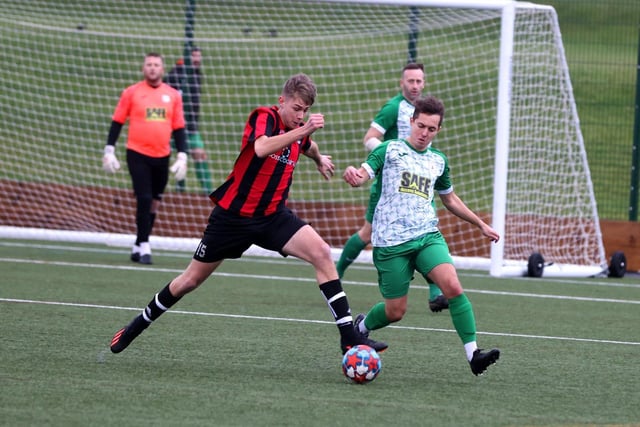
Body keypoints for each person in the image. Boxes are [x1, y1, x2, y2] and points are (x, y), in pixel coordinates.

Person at [109, 73, 388, 356]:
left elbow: (306, 145)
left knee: (321, 252)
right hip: (232, 218)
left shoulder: (298, 130)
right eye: (296, 108)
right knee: (189, 281)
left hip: (272, 217)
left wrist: (318, 158)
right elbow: (261, 147)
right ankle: (136, 326)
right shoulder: (264, 117)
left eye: (305, 111)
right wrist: (304, 132)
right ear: (282, 101)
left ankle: (349, 338)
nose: (300, 115)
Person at [342, 95, 501, 375]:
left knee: (453, 287)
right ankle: (361, 327)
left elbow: (450, 199)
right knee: (395, 311)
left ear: (438, 130)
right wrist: (355, 176)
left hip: (427, 236)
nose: (424, 133)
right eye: (421, 126)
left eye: (431, 129)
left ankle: (473, 355)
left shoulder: (439, 161)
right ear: (411, 121)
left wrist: (480, 224)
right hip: (391, 243)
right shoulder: (389, 150)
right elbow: (364, 174)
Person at [336, 63, 449, 313]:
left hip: (418, 182)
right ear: (402, 83)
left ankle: (435, 293)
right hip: (390, 185)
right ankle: (335, 276)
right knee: (367, 233)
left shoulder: (425, 111)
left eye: (419, 81)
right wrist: (393, 153)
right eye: (410, 81)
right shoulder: (393, 107)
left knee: (424, 230)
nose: (415, 86)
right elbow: (369, 137)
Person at [102, 52, 188, 265]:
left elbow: (179, 128)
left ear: (162, 68)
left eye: (156, 64)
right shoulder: (131, 93)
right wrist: (109, 149)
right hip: (137, 153)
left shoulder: (173, 95)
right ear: (143, 68)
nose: (152, 68)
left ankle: (137, 244)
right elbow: (117, 121)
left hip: (162, 156)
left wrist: (182, 156)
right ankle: (145, 245)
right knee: (144, 198)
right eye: (148, 64)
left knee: (154, 203)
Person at [164, 46, 213, 194]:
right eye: (194, 56)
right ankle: (179, 190)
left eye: (199, 56)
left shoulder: (197, 75)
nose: (198, 59)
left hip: (191, 127)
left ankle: (207, 192)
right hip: (174, 127)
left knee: (199, 154)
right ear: (187, 57)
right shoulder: (176, 74)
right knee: (176, 156)